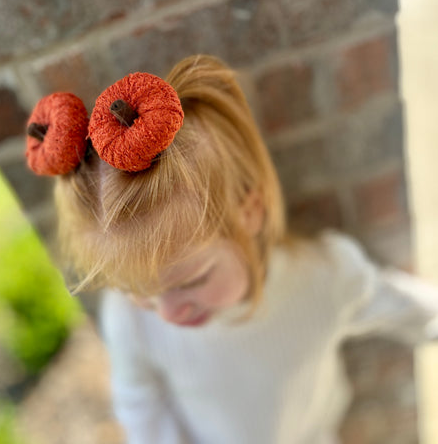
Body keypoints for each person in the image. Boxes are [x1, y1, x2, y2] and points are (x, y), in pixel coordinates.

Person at [25, 54, 438, 444]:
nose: (168, 313)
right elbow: (141, 409)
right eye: (138, 290)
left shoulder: (323, 276)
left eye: (193, 280)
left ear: (250, 213)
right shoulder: (129, 320)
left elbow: (397, 303)